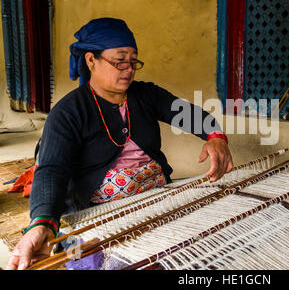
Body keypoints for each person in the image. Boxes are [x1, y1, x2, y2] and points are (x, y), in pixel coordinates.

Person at [6, 18, 233, 270]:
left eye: (133, 61)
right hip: (98, 215)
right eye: (119, 60)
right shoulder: (68, 112)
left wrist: (215, 137)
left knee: (207, 249)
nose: (129, 69)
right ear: (91, 61)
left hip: (156, 200)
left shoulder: (146, 95)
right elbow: (51, 170)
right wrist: (42, 223)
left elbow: (187, 114)